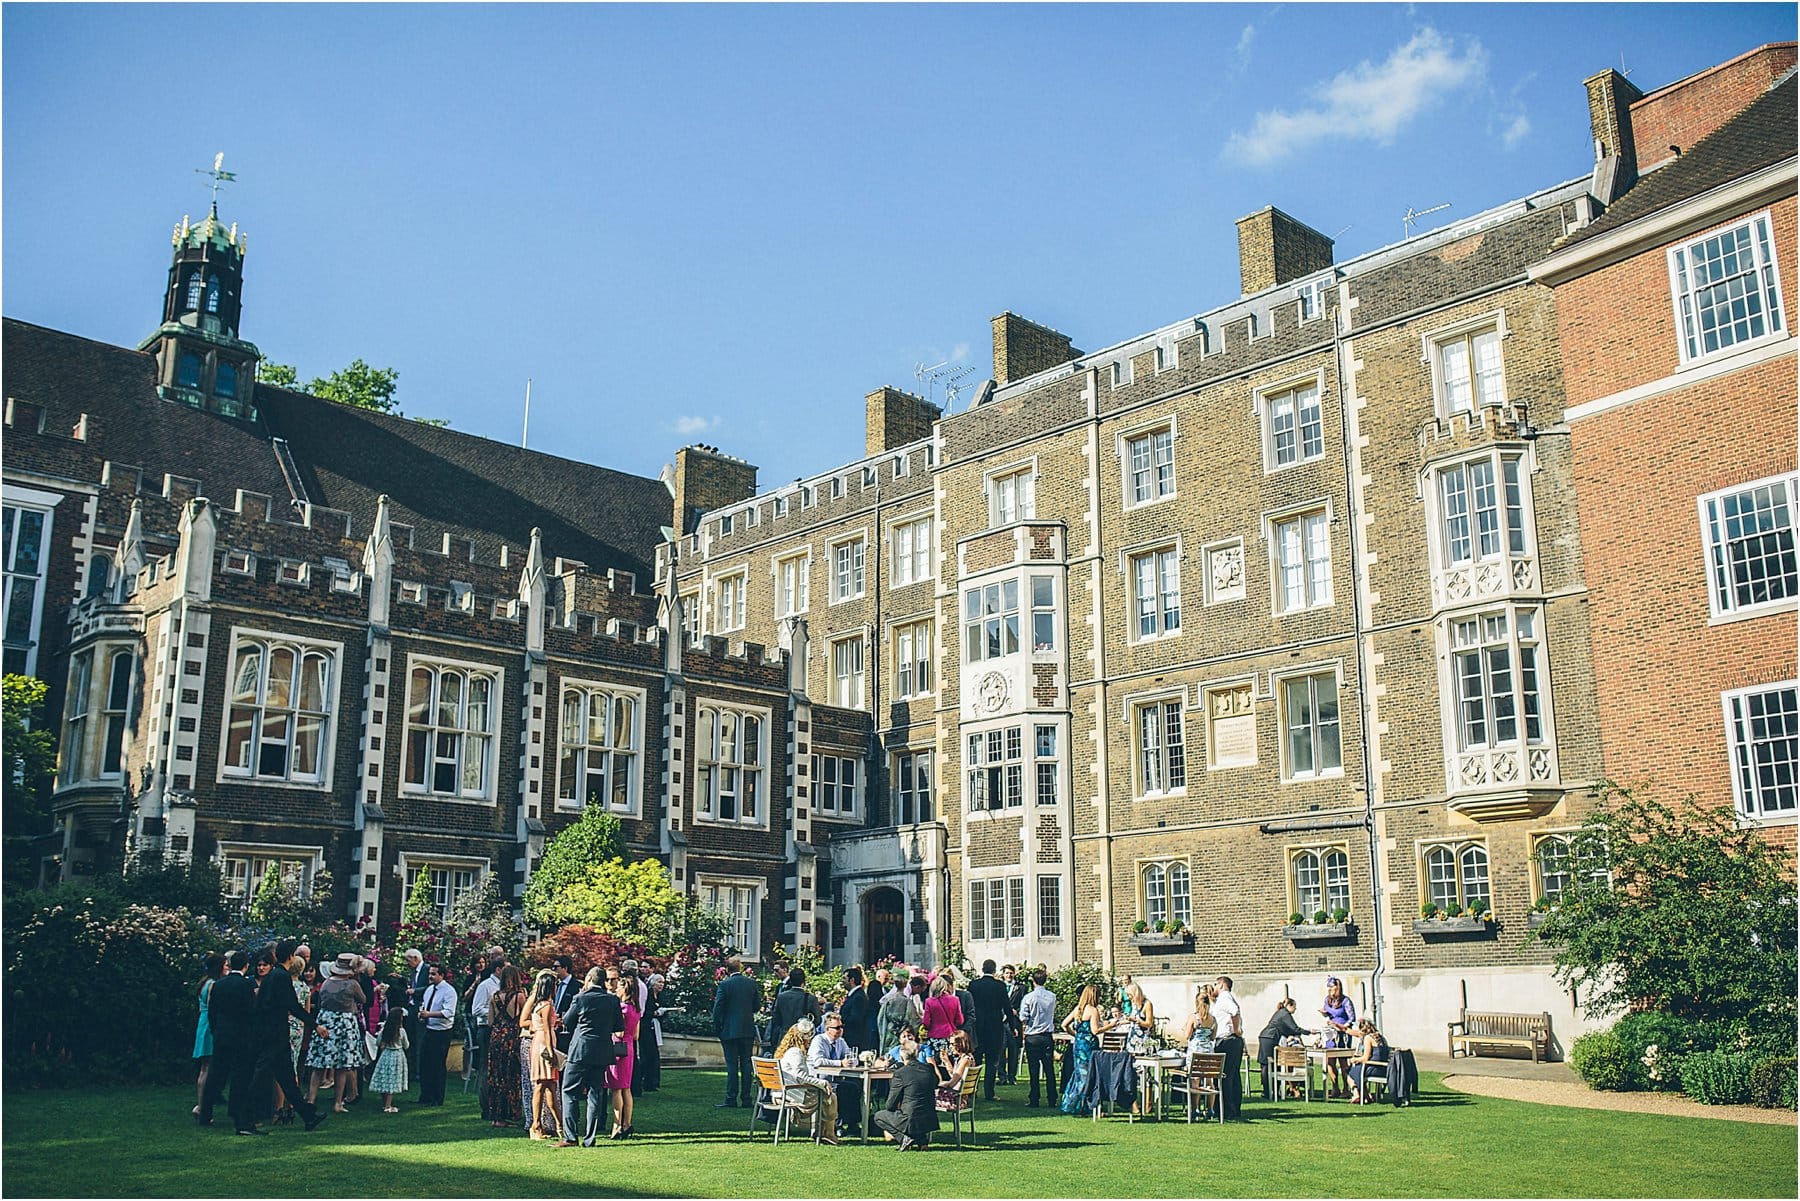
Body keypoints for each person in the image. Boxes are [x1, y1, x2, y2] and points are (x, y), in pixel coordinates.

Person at [249, 943, 329, 1134]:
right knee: (262, 1076)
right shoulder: (281, 977)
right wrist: (315, 1025)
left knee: (286, 1079)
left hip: (274, 1034)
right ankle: (245, 1118)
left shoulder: (272, 977)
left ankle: (308, 1115)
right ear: (292, 956)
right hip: (274, 1035)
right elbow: (292, 1005)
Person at [557, 967, 623, 1147]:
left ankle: (570, 1136)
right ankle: (590, 1138)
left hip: (580, 1049)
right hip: (602, 1049)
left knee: (569, 1091)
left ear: (588, 979)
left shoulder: (580, 998)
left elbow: (567, 1022)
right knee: (595, 1093)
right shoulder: (612, 1000)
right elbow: (618, 1025)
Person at [196, 951, 255, 1131]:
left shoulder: (219, 985)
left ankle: (205, 1112)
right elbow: (250, 1012)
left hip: (222, 1034)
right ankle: (237, 1113)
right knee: (240, 1076)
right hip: (240, 1035)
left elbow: (213, 1011)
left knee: (216, 1074)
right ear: (246, 965)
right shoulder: (246, 986)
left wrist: (216, 1030)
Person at [306, 953, 369, 1113]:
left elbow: (321, 1003)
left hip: (326, 1020)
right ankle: (338, 1102)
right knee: (342, 1066)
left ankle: (311, 1099)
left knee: (319, 1064)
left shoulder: (326, 983)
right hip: (344, 1023)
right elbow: (363, 999)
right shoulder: (352, 984)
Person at [776, 1018, 839, 1144]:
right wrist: (822, 1083)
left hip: (780, 1093)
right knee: (831, 1096)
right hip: (793, 1095)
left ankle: (821, 1132)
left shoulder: (785, 1052)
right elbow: (801, 1076)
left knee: (825, 1094)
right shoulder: (795, 1052)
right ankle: (829, 1133)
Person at [966, 959, 1019, 1101]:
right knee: (992, 1061)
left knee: (975, 1060)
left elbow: (969, 1006)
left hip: (978, 1027)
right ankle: (989, 1092)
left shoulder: (974, 985)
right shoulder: (999, 986)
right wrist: (1013, 1027)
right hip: (994, 1027)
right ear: (994, 970)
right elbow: (1007, 1008)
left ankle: (972, 1091)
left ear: (982, 969)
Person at [712, 956, 760, 1109]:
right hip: (747, 1029)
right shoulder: (751, 984)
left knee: (732, 1065)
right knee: (746, 1064)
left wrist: (718, 1027)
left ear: (727, 970)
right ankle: (746, 1098)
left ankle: (731, 1098)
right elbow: (756, 1006)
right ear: (741, 968)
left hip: (729, 1030)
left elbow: (717, 1009)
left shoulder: (725, 985)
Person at [481, 964, 526, 1127]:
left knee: (496, 1076)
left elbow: (490, 1021)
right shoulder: (520, 996)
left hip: (496, 1038)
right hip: (512, 1037)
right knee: (512, 1075)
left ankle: (495, 1115)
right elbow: (523, 1018)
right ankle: (511, 1113)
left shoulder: (494, 996)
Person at [873, 1041, 937, 1151]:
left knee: (879, 1116)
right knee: (915, 1110)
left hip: (910, 1118)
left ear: (902, 1055)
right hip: (929, 1117)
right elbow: (935, 1083)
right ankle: (922, 1142)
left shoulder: (900, 1073)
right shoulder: (929, 1068)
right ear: (916, 1053)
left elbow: (890, 1105)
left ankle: (904, 1139)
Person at [524, 970, 562, 1140]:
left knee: (550, 1086)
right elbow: (546, 1030)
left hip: (539, 1041)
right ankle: (536, 1124)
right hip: (543, 1043)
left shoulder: (540, 1004)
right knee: (541, 1085)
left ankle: (559, 1123)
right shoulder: (546, 1005)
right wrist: (551, 1051)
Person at [807, 1010, 859, 1132]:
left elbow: (850, 1056)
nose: (840, 1030)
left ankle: (852, 1124)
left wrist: (852, 1061)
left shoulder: (841, 1041)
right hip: (819, 1080)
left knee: (855, 1086)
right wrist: (840, 1063)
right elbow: (818, 1061)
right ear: (827, 1029)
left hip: (835, 1079)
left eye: (841, 1027)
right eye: (836, 1028)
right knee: (844, 1090)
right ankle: (838, 1125)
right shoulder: (819, 1040)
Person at [1058, 984, 1104, 1115]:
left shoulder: (1078, 1009)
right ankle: (1082, 1105)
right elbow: (1095, 1030)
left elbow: (1064, 1025)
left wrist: (1076, 1034)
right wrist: (1110, 1026)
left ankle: (1070, 1103)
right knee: (1087, 1075)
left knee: (1078, 1074)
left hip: (1078, 1045)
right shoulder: (1093, 1010)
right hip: (1089, 1046)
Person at [416, 962, 458, 1106]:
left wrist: (429, 1014)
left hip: (442, 1032)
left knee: (437, 1065)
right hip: (429, 1029)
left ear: (442, 975)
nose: (430, 976)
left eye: (434, 974)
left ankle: (437, 1097)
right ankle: (425, 1095)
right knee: (424, 1063)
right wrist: (422, 1014)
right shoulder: (429, 990)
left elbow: (448, 1012)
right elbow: (425, 1005)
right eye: (430, 973)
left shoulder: (449, 991)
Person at [1017, 968, 1058, 1108]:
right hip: (1047, 1035)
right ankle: (1052, 1097)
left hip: (1033, 1035)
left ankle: (1034, 1098)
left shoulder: (1029, 997)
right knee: (1049, 1068)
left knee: (1034, 1070)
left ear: (1033, 981)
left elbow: (1023, 1017)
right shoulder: (1052, 996)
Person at [607, 971, 640, 1139]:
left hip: (617, 1046)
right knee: (626, 1088)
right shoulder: (635, 1009)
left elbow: (618, 1032)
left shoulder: (621, 1008)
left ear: (624, 988)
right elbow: (635, 1035)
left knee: (616, 1089)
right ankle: (627, 1123)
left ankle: (617, 1124)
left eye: (619, 986)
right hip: (629, 1047)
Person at [192, 952, 225, 1117]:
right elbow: (214, 1007)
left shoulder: (203, 983)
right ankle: (203, 1105)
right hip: (209, 1025)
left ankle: (201, 1104)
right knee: (208, 1068)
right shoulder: (212, 984)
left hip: (202, 1023)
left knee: (204, 1068)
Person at [1258, 998, 1311, 1098]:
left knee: (1273, 1064)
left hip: (1268, 1037)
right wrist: (1309, 1032)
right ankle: (1267, 1091)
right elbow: (1294, 1028)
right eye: (1294, 1006)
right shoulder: (1285, 1014)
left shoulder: (1281, 1013)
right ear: (1289, 1005)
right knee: (1267, 1064)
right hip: (1269, 1038)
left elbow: (1285, 1029)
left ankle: (1273, 1091)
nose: (1295, 1009)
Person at [369, 986, 410, 1113]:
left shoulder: (385, 1029)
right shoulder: (401, 1031)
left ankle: (384, 1102)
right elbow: (406, 1045)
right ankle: (388, 1106)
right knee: (392, 1080)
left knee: (385, 1078)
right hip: (397, 1055)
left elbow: (377, 1042)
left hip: (386, 1055)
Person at [1212, 975, 1245, 1121]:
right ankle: (1232, 1108)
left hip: (1227, 1040)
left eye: (1215, 985)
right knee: (1232, 1075)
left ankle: (1228, 1110)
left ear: (1221, 985)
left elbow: (1235, 1011)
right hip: (1230, 1040)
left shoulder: (1225, 998)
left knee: (1226, 1076)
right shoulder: (1226, 998)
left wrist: (1236, 1029)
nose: (1214, 988)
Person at [1319, 975, 1357, 1099]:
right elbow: (1328, 1013)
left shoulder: (1345, 1001)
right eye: (1329, 989)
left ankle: (1347, 1088)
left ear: (1338, 988)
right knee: (1330, 1061)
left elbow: (1351, 1018)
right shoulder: (1327, 1000)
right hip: (1331, 1032)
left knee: (1342, 1061)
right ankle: (1335, 1087)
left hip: (1342, 1033)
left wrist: (1342, 1026)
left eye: (1333, 989)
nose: (1330, 991)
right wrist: (1325, 1013)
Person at [771, 968, 822, 1050]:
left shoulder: (781, 997)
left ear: (790, 981)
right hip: (804, 1038)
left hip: (785, 1036)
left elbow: (775, 1018)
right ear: (803, 982)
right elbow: (818, 1020)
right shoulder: (811, 998)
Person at [932, 1029, 975, 1112]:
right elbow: (955, 1076)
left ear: (960, 1044)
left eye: (952, 1044)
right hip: (959, 1097)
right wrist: (946, 1061)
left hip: (957, 1100)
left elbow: (952, 1083)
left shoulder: (965, 1060)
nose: (950, 1047)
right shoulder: (968, 1058)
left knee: (925, 1098)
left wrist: (939, 1084)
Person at [922, 973, 963, 1058]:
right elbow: (960, 1021)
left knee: (934, 1062)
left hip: (934, 1036)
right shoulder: (955, 1000)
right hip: (950, 1036)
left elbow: (926, 1022)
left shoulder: (929, 1001)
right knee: (949, 1061)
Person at [1347, 1019, 1389, 1103]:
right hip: (1384, 1068)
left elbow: (1365, 1058)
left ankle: (1357, 1094)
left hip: (1374, 1067)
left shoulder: (1368, 1038)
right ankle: (1366, 1095)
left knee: (1350, 1073)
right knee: (1356, 1070)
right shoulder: (1381, 1037)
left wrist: (1354, 1059)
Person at [638, 972, 667, 1095]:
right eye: (659, 982)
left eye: (662, 982)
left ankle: (653, 1082)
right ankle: (644, 1080)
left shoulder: (660, 997)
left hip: (655, 1028)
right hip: (646, 1028)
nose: (661, 985)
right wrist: (654, 1013)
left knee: (654, 1055)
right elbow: (643, 1012)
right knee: (648, 1054)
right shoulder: (648, 995)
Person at [402, 949, 429, 1076]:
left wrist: (415, 991)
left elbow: (430, 987)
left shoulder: (427, 969)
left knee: (419, 1039)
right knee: (411, 1038)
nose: (407, 964)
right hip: (412, 1008)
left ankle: (419, 1071)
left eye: (408, 960)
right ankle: (411, 1069)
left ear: (415, 958)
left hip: (421, 1007)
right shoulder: (414, 972)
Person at [876, 975, 917, 1051]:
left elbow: (880, 1019)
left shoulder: (888, 1000)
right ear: (905, 985)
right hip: (902, 1032)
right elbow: (913, 1019)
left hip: (889, 1031)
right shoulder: (907, 1001)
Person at [1001, 965, 1026, 1085]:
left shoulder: (1021, 988)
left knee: (1013, 1050)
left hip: (1014, 1022)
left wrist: (1017, 1011)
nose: (1009, 975)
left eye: (1011, 973)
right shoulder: (999, 987)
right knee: (1000, 1050)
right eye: (1006, 973)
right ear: (1003, 975)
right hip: (1001, 1021)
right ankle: (1001, 1076)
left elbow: (1025, 1004)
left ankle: (1012, 1076)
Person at [838, 966, 870, 1052]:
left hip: (854, 1038)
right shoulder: (853, 995)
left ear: (851, 980)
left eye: (845, 978)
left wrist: (841, 1021)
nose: (842, 981)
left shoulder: (858, 997)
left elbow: (855, 1018)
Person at [1121, 981, 1156, 1055]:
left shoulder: (1147, 1004)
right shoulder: (1134, 1004)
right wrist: (1122, 1021)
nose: (1129, 997)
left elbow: (1149, 1024)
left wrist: (1137, 1021)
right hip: (1132, 1037)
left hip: (1142, 1038)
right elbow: (1133, 1019)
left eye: (1130, 995)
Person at [552, 955, 578, 1054]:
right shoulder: (554, 984)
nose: (553, 970)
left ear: (565, 968)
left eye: (556, 967)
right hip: (554, 1028)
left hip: (567, 1030)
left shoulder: (576, 986)